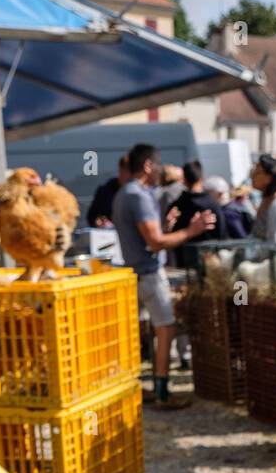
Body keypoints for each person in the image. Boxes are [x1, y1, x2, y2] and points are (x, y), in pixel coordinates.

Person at [112, 143, 216, 408]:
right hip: (148, 273)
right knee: (166, 328)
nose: (160, 170)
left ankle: (145, 388)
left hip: (136, 271)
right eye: (157, 165)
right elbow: (155, 243)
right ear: (147, 166)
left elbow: (147, 237)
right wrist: (191, 231)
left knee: (148, 330)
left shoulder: (126, 193)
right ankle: (161, 393)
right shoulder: (138, 195)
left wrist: (167, 227)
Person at [165, 161, 227, 266]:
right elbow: (222, 236)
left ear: (183, 179)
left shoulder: (176, 207)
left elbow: (169, 235)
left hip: (182, 263)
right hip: (210, 264)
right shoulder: (212, 205)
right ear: (202, 178)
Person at [87, 155, 129, 227]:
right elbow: (91, 217)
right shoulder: (104, 191)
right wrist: (97, 222)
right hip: (108, 235)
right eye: (129, 172)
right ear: (121, 171)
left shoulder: (141, 192)